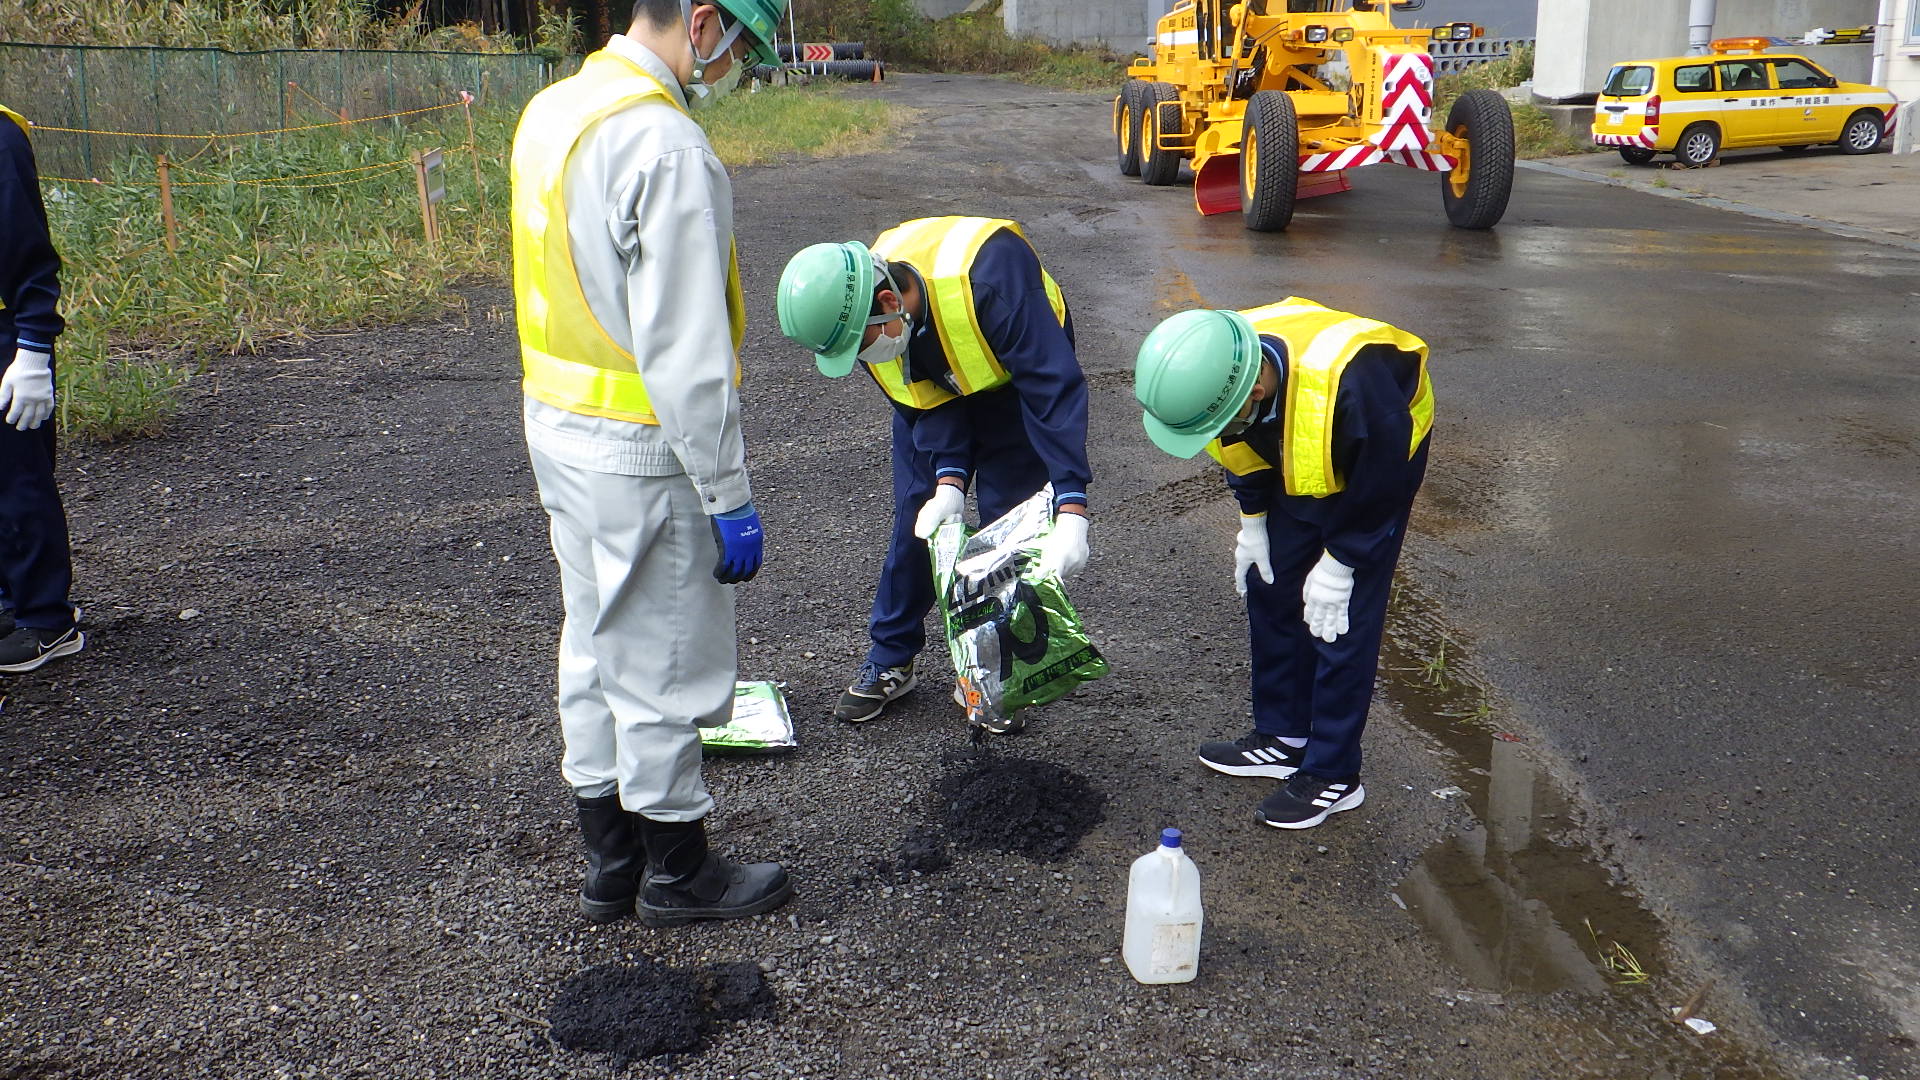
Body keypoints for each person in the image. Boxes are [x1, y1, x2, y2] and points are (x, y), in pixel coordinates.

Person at [510, 0, 790, 925]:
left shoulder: (555, 109)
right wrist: (728, 492)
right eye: (741, 44)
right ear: (701, 22)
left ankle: (610, 858)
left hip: (556, 424)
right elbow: (687, 351)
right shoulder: (665, 147)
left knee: (591, 637)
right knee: (662, 654)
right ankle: (679, 869)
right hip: (639, 444)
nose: (736, 64)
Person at [774, 217, 1093, 724]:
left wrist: (1071, 503)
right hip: (936, 370)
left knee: (1003, 530)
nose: (862, 358)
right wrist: (948, 480)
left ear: (888, 302)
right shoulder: (862, 320)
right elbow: (921, 401)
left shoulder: (994, 276)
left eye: (861, 346)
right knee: (918, 517)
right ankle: (891, 658)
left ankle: (993, 675)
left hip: (1017, 374)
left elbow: (1051, 390)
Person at [1132, 297, 1432, 829]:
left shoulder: (1354, 385)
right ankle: (1283, 735)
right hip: (1299, 447)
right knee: (1272, 585)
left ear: (1255, 390)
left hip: (1380, 457)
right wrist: (1253, 521)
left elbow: (1384, 483)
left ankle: (1334, 774)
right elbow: (1236, 442)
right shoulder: (1218, 360)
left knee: (1338, 619)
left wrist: (1343, 563)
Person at [0, 102, 83, 675]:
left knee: (17, 481)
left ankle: (45, 620)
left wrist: (33, 348)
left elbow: (27, 250)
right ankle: (9, 605)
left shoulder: (0, 137)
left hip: (5, 337)